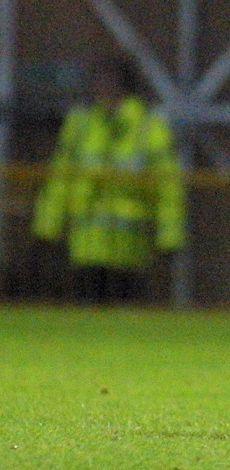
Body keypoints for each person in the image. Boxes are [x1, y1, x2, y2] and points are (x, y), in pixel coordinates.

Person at [31, 54, 186, 304]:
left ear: (125, 85)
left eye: (109, 81)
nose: (103, 88)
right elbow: (59, 180)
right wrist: (47, 226)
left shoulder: (150, 127)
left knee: (126, 319)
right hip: (85, 246)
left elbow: (169, 188)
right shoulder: (81, 124)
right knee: (85, 318)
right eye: (99, 81)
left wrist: (170, 235)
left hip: (130, 248)